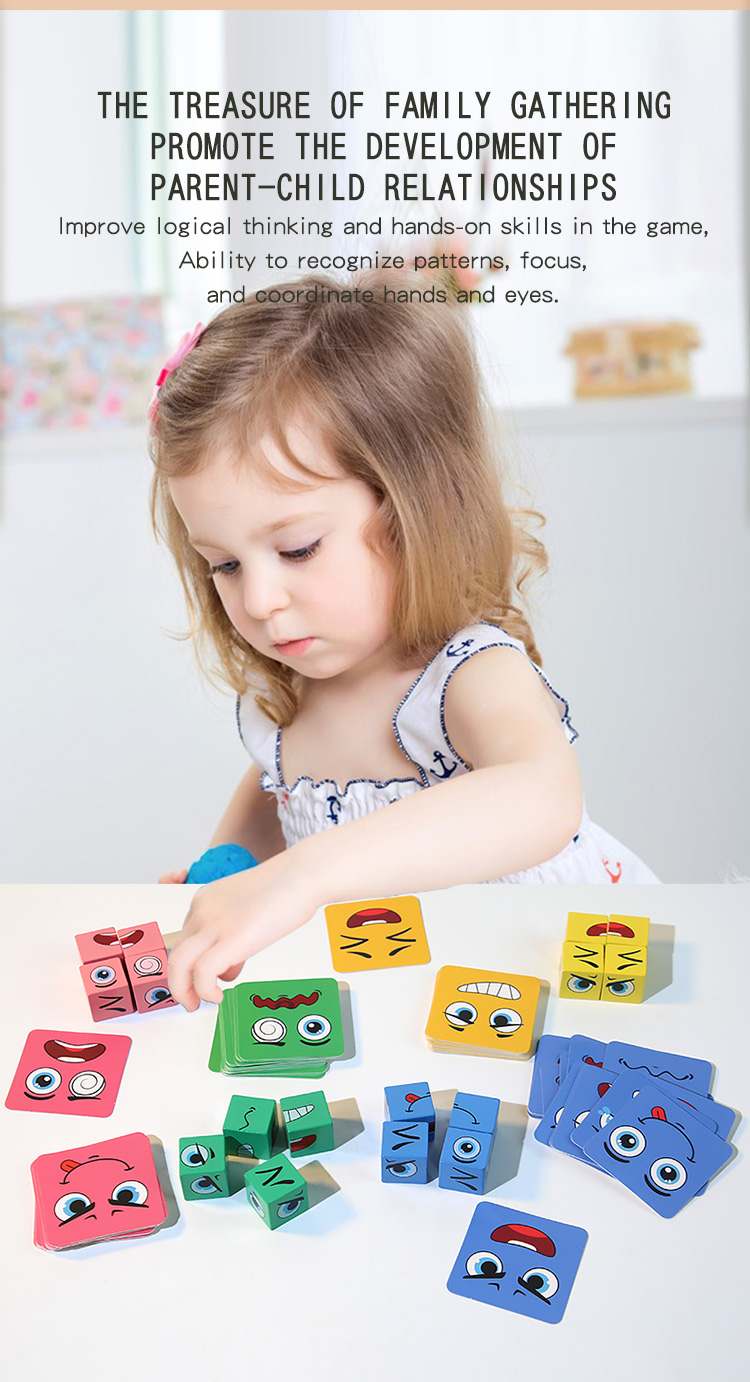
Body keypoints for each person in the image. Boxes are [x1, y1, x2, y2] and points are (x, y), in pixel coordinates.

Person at [149, 272, 656, 1011]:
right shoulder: (292, 700)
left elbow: (543, 796)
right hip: (417, 998)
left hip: (560, 978)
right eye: (224, 565)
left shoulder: (465, 675)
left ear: (418, 506)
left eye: (297, 549)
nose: (257, 601)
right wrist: (224, 882)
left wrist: (299, 877)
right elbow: (274, 793)